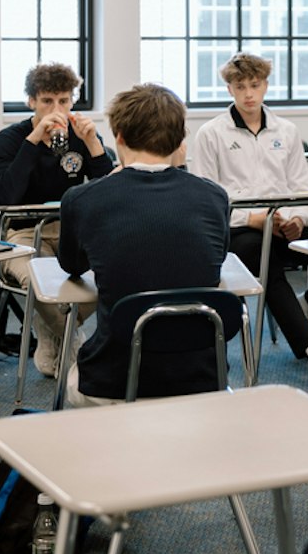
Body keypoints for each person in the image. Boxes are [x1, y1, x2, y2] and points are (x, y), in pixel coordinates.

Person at [59, 84, 236, 405]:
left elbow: (72, 265)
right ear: (180, 141)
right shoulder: (214, 196)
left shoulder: (83, 199)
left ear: (120, 137)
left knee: (70, 380)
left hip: (115, 380)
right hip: (202, 380)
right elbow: (216, 259)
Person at [191, 52, 308, 390]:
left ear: (265, 85)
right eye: (240, 86)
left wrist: (297, 220)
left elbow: (301, 187)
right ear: (229, 88)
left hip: (283, 226)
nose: (249, 93)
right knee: (268, 261)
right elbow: (206, 201)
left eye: (255, 85)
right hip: (236, 233)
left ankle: (306, 304)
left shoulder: (286, 131)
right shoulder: (211, 134)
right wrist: (256, 218)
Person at [0, 62, 114, 378]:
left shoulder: (81, 135)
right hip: (22, 232)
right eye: (47, 101)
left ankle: (50, 331)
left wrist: (93, 145)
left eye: (63, 100)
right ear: (31, 101)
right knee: (36, 278)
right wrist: (33, 140)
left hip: (72, 230)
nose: (56, 109)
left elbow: (112, 191)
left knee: (118, 267)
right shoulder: (10, 138)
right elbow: (6, 197)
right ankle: (71, 339)